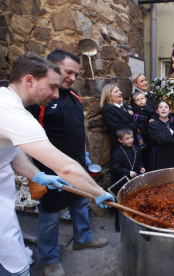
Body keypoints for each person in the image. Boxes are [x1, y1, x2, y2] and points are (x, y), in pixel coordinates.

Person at [0, 53, 114, 276]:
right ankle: (40, 262)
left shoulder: (13, 102)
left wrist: (34, 174)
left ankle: (81, 238)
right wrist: (98, 192)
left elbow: (12, 151)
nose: (56, 93)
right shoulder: (11, 110)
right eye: (52, 86)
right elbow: (63, 166)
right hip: (57, 166)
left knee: (10, 245)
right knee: (13, 257)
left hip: (65, 166)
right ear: (29, 80)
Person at [100, 83, 138, 155]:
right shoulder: (108, 109)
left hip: (133, 143)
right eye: (116, 91)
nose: (120, 92)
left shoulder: (123, 105)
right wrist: (134, 125)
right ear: (110, 96)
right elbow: (117, 128)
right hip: (121, 147)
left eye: (119, 90)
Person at [147, 100, 174, 171]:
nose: (163, 109)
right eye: (160, 107)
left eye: (166, 107)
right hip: (159, 155)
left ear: (170, 110)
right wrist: (172, 129)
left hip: (172, 154)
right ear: (157, 111)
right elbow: (161, 139)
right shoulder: (153, 125)